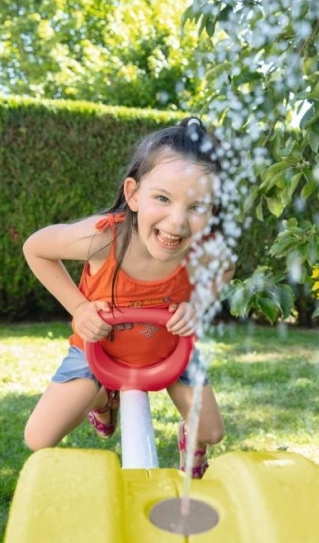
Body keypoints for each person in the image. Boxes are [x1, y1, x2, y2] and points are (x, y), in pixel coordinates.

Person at [23, 116, 235, 478]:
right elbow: (36, 248)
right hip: (98, 351)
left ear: (212, 210)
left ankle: (191, 442)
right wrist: (79, 308)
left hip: (169, 351)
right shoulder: (103, 238)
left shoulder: (204, 250)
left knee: (212, 431)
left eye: (197, 207)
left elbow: (227, 269)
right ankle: (104, 400)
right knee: (38, 437)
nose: (177, 222)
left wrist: (197, 307)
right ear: (134, 194)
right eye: (162, 198)